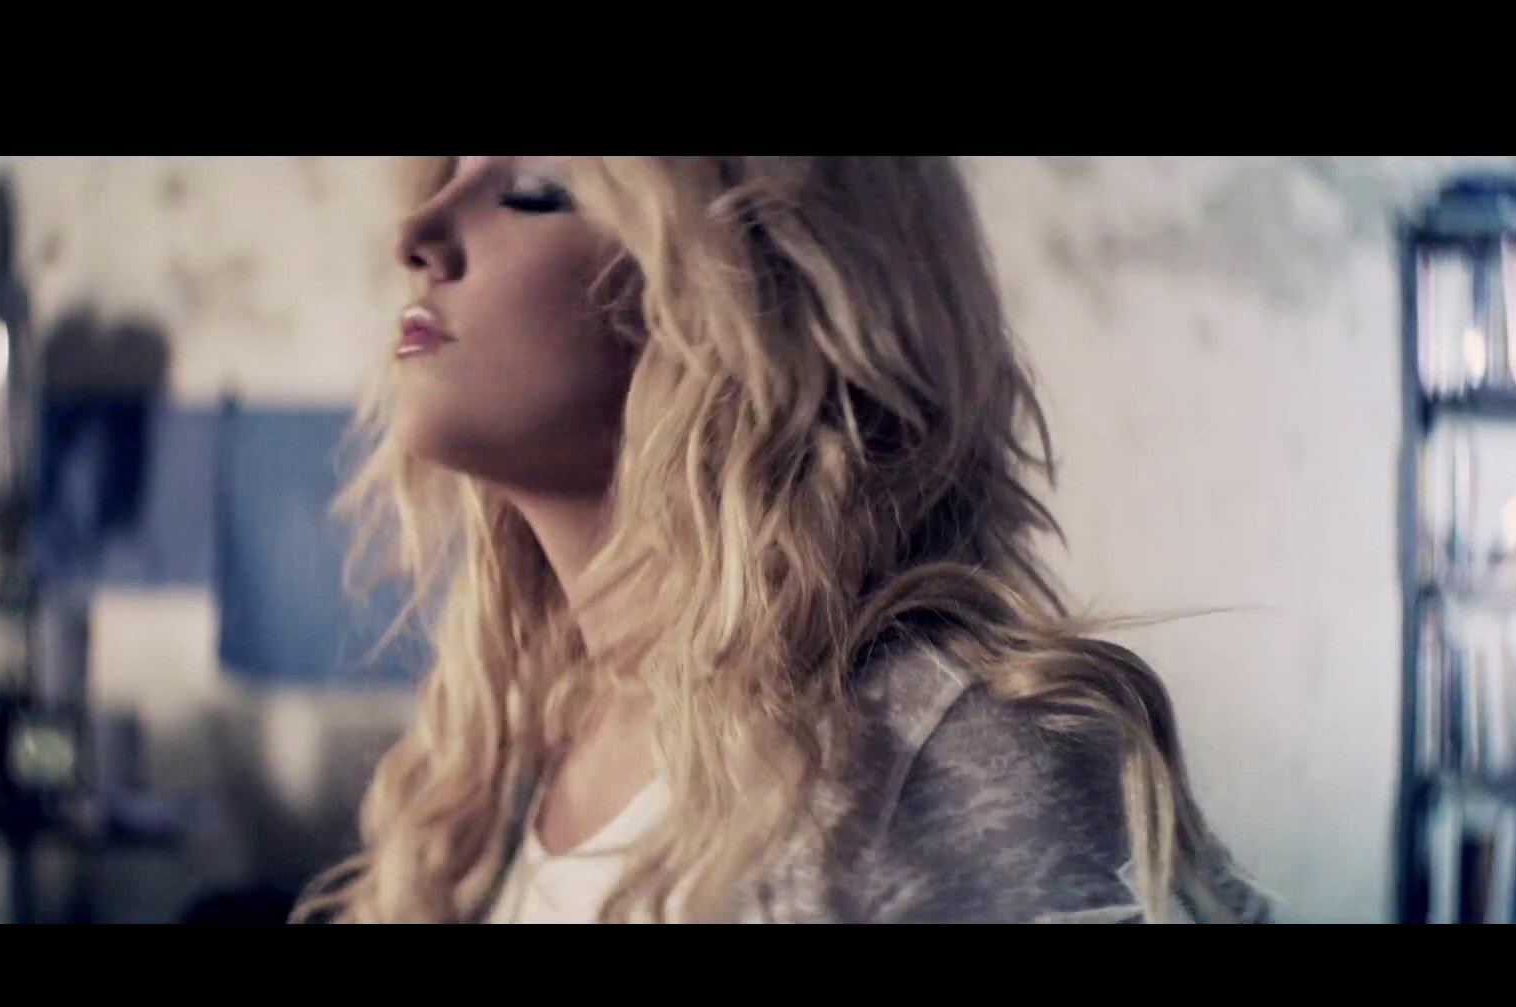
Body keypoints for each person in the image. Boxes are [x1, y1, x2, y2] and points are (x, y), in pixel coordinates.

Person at [294, 156, 1268, 924]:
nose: (416, 236)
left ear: (753, 287)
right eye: (451, 168)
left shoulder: (947, 762)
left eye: (539, 187)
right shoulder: (523, 746)